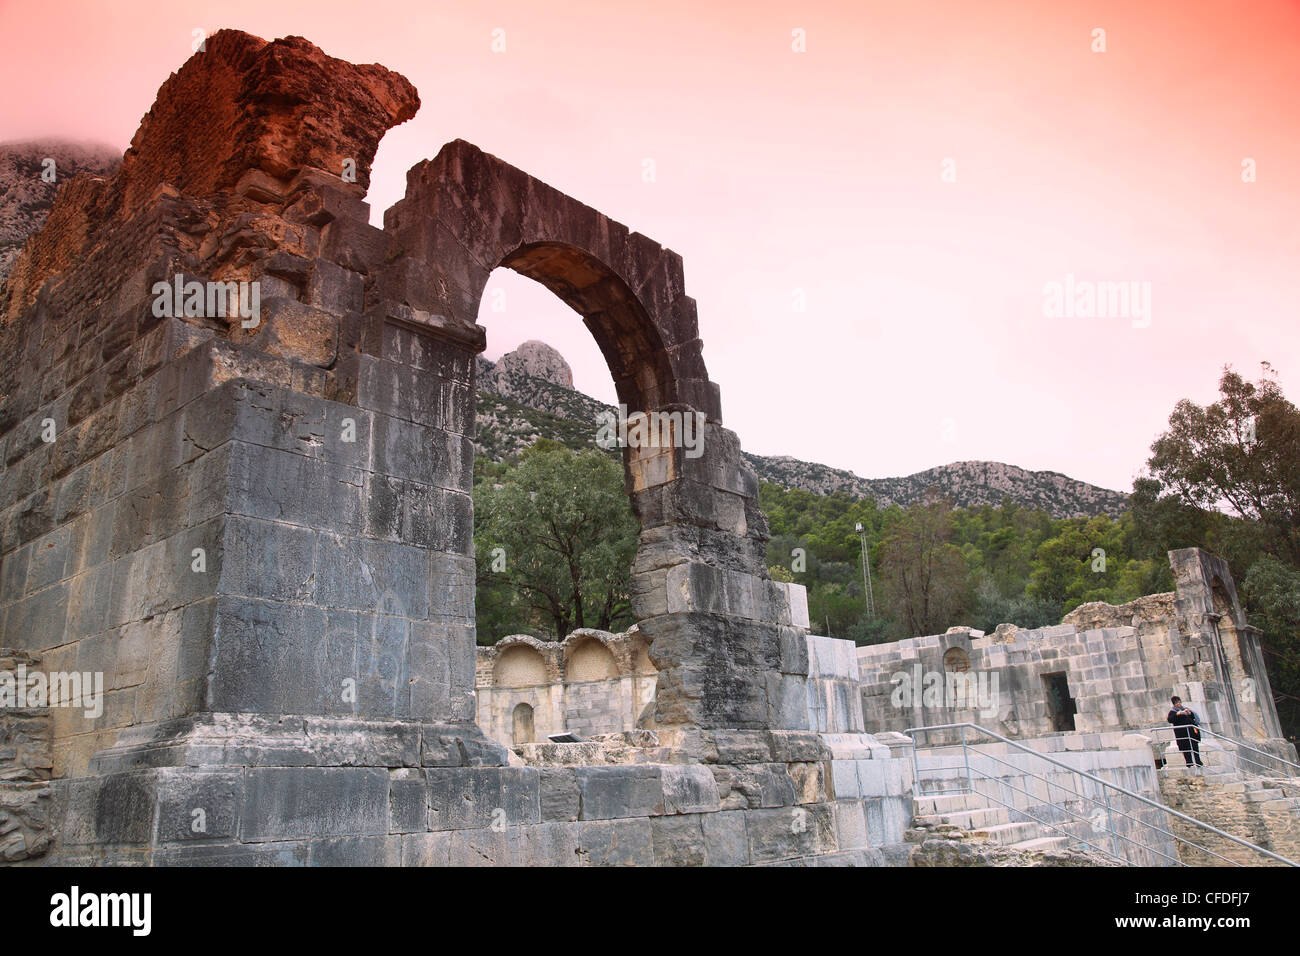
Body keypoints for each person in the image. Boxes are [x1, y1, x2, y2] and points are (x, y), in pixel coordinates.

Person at [1167, 696, 1204, 767]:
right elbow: (1170, 720)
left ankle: (1198, 762)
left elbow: (1193, 717)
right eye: (1177, 703)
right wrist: (1177, 714)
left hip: (1191, 732)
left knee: (1194, 746)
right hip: (1182, 734)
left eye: (1179, 702)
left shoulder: (1185, 709)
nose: (1179, 704)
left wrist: (1190, 713)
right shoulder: (1173, 712)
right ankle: (1189, 763)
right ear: (1174, 704)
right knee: (1185, 748)